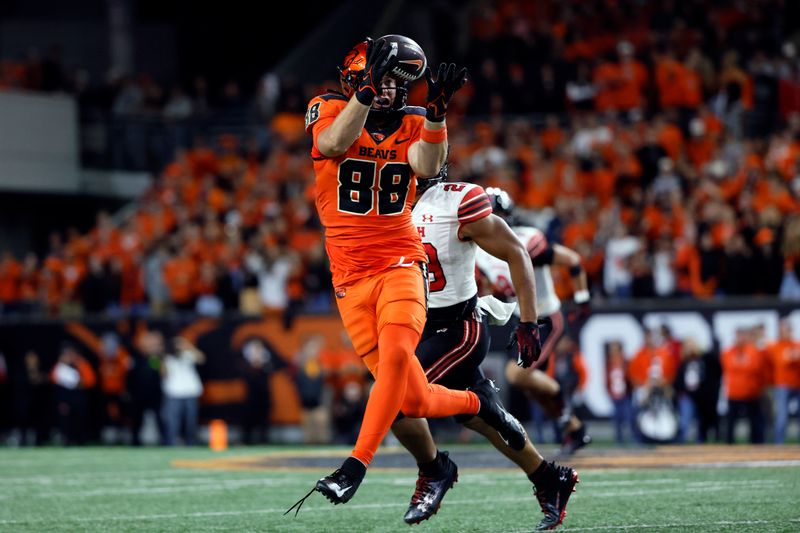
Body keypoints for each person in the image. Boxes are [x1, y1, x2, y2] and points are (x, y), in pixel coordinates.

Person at [288, 35, 528, 513]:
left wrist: (436, 113)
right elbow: (333, 144)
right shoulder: (328, 108)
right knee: (413, 399)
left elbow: (427, 165)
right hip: (349, 277)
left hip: (400, 259)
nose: (394, 91)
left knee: (398, 359)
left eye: (401, 83)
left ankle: (354, 466)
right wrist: (366, 91)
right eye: (385, 81)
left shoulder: (415, 120)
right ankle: (479, 408)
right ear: (358, 80)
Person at [388, 164, 579, 530]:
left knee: (396, 398)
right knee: (481, 418)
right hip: (419, 325)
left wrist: (527, 321)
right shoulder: (389, 205)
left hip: (459, 328)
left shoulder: (454, 201)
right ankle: (549, 479)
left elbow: (516, 252)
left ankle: (434, 469)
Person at [476, 187, 593, 456]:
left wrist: (582, 298)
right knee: (531, 386)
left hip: (544, 317)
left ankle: (568, 413)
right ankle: (573, 428)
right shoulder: (479, 253)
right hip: (522, 319)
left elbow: (573, 260)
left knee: (517, 375)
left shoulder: (527, 241)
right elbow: (488, 288)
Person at [160, 335, 205, 446]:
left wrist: (189, 347)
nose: (179, 346)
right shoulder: (167, 358)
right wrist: (162, 359)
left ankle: (191, 444)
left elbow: (202, 359)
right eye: (177, 343)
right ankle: (171, 444)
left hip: (190, 393)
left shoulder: (188, 355)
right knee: (172, 423)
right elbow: (163, 374)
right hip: (174, 394)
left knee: (191, 422)